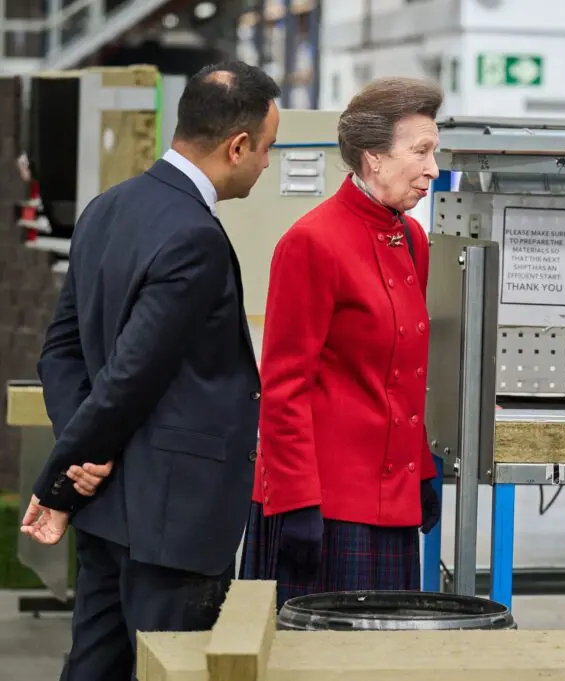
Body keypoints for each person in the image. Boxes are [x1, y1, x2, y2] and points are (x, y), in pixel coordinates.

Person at [20, 61, 280, 681]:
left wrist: (81, 459)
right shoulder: (196, 236)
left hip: (109, 506)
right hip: (175, 516)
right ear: (236, 146)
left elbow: (61, 353)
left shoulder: (107, 208)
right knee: (176, 669)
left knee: (94, 665)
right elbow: (132, 375)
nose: (268, 165)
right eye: (267, 150)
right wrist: (61, 479)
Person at [239, 76, 442, 608]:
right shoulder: (311, 242)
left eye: (434, 152)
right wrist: (296, 502)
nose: (433, 170)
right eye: (420, 152)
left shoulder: (413, 240)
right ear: (373, 158)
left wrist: (421, 468)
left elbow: (404, 376)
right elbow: (283, 387)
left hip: (393, 501)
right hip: (324, 507)